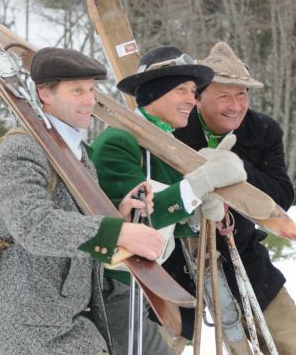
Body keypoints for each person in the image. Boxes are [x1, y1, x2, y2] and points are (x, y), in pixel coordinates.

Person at [0, 47, 166, 355]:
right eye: (77, 91)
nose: (89, 100)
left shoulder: (77, 157)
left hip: (68, 322)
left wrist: (119, 215)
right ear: (45, 94)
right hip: (29, 326)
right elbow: (34, 226)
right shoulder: (21, 150)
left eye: (91, 90)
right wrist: (116, 233)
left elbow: (74, 226)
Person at [90, 45, 248, 352]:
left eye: (193, 92)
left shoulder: (167, 145)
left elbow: (170, 220)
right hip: (112, 286)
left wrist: (197, 214)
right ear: (154, 92)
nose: (192, 99)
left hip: (144, 285)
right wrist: (196, 187)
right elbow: (138, 220)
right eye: (182, 90)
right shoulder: (119, 141)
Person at [172, 41, 296, 354]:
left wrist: (235, 168)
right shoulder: (175, 128)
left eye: (241, 94)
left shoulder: (263, 130)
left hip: (240, 251)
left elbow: (281, 196)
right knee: (153, 344)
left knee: (294, 343)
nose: (235, 105)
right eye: (223, 96)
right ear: (199, 98)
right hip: (177, 259)